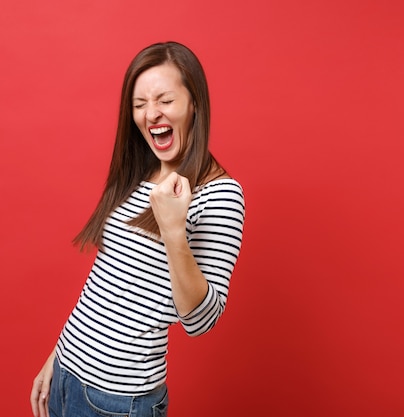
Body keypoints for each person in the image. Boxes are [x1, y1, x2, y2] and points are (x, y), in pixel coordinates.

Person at [30, 41, 245, 417]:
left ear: (194, 102)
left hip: (117, 401)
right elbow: (106, 280)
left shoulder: (220, 194)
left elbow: (201, 321)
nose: (151, 114)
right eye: (139, 104)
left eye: (165, 100)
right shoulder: (139, 171)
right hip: (68, 373)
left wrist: (174, 230)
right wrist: (59, 352)